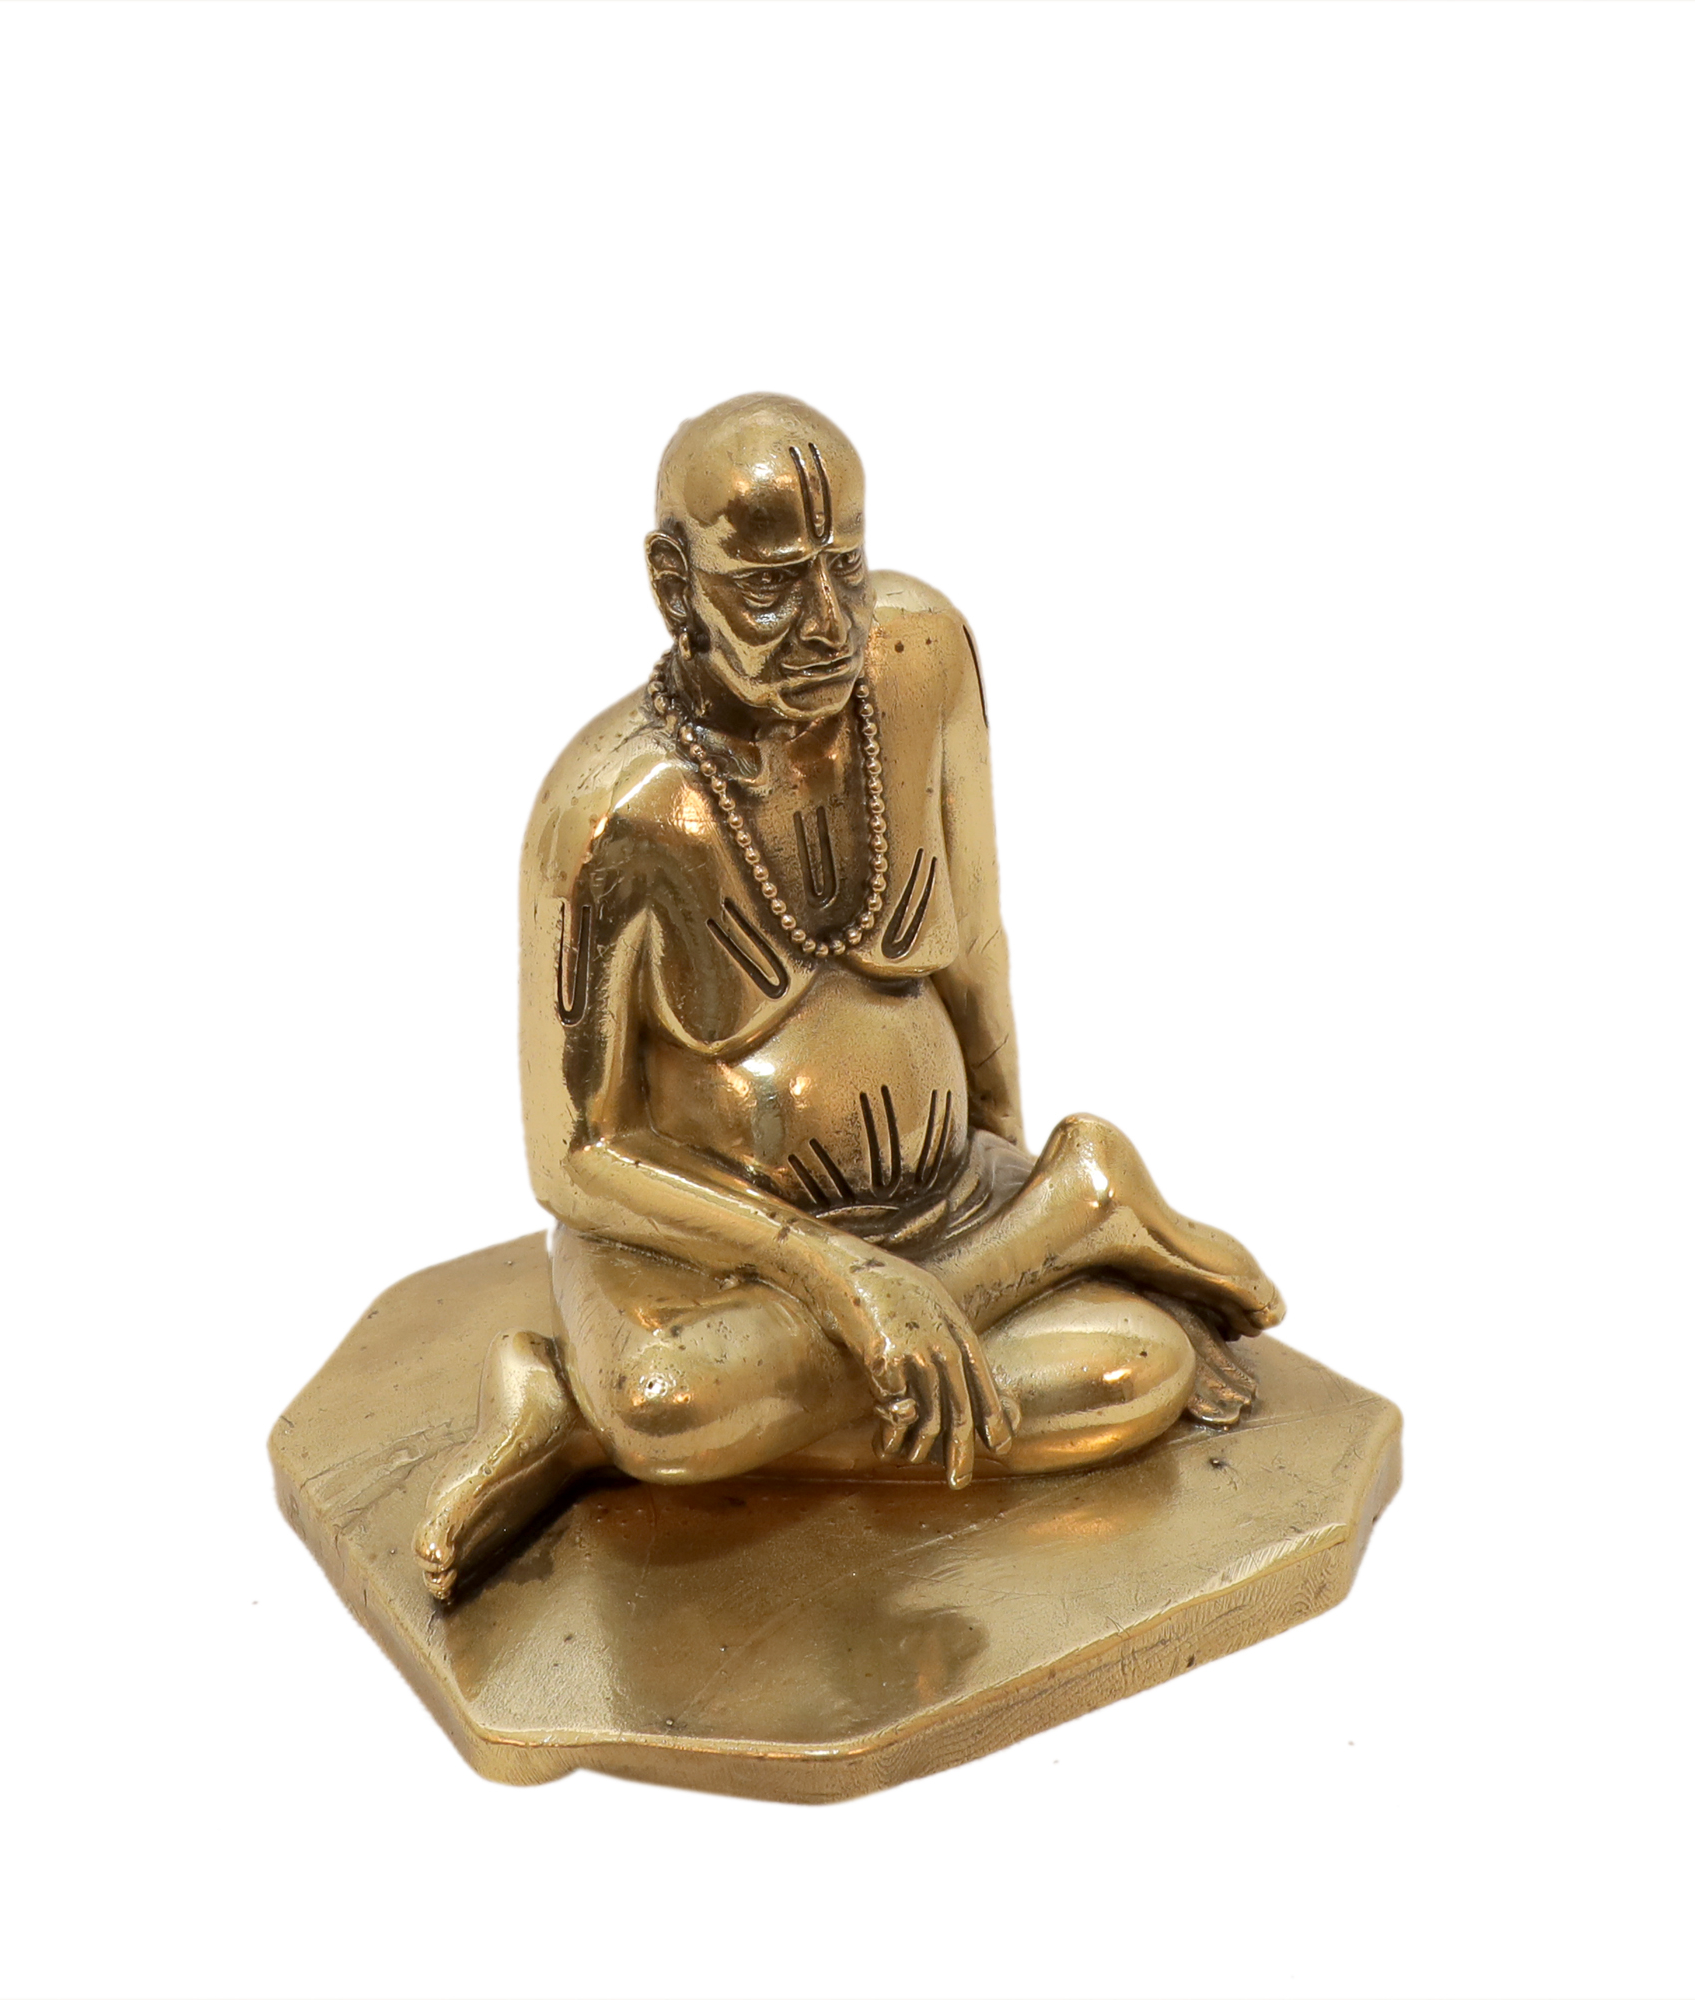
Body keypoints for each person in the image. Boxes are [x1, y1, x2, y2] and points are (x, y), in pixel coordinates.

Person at [416, 393, 1283, 1603]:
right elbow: (575, 1158)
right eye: (770, 588)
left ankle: (589, 1421)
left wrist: (998, 1160)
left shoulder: (919, 659)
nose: (827, 625)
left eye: (846, 568)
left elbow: (975, 941)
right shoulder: (612, 813)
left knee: (1127, 1373)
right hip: (705, 1266)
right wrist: (845, 1278)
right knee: (669, 1401)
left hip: (942, 1203)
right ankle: (1068, 1224)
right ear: (673, 586)